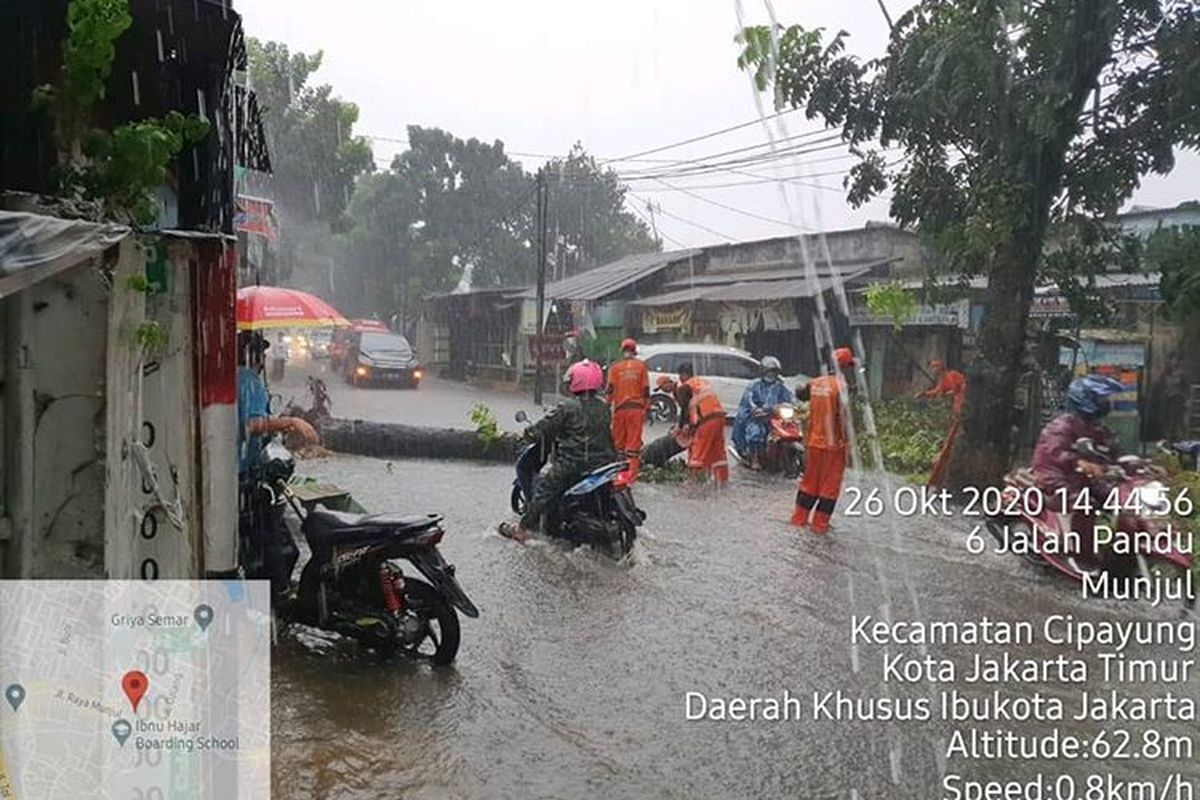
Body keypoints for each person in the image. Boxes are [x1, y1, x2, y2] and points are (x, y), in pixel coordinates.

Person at [500, 360, 617, 542]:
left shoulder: (567, 408)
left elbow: (542, 428)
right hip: (604, 463)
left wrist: (526, 435)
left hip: (574, 463)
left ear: (575, 382)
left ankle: (521, 530)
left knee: (545, 490)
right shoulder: (604, 407)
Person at [1031, 374, 1125, 554]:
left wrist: (1134, 465)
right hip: (1056, 478)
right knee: (1085, 505)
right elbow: (1054, 453)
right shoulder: (1060, 427)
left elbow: (1112, 451)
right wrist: (1079, 462)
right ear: (1084, 399)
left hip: (1085, 480)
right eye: (1101, 398)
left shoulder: (1096, 427)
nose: (1105, 402)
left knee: (1123, 501)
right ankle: (1083, 555)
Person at [791, 347, 855, 534]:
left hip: (813, 443)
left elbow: (802, 396)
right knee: (829, 487)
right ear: (845, 367)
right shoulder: (841, 387)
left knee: (809, 483)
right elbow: (844, 418)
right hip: (832, 446)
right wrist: (848, 444)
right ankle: (820, 525)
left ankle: (799, 519)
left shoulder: (816, 383)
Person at [237, 331, 319, 476]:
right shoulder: (251, 382)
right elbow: (253, 425)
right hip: (244, 467)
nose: (265, 357)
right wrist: (290, 422)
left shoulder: (234, 378)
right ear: (254, 356)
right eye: (262, 353)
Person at [731, 355, 795, 470]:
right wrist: (756, 408)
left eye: (774, 372)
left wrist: (793, 406)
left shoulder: (780, 386)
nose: (771, 374)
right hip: (758, 416)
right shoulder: (754, 385)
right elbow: (749, 399)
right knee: (756, 431)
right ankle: (755, 458)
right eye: (769, 371)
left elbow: (790, 398)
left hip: (774, 416)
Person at [916, 359, 967, 487]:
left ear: (941, 367)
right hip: (956, 409)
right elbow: (938, 391)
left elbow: (959, 388)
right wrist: (924, 394)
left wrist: (950, 393)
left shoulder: (953, 375)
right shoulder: (943, 379)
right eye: (932, 367)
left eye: (935, 367)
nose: (933, 370)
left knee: (957, 435)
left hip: (962, 407)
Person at [675, 362, 729, 484]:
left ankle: (694, 483)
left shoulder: (685, 387)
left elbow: (685, 409)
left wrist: (680, 427)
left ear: (684, 374)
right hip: (719, 417)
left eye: (680, 375)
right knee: (718, 452)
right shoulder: (702, 382)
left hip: (707, 419)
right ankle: (722, 481)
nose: (679, 378)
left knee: (698, 450)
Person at [606, 338, 650, 482]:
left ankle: (617, 476)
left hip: (620, 410)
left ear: (622, 350)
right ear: (634, 351)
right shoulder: (641, 367)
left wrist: (606, 407)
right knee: (633, 446)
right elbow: (645, 390)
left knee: (618, 444)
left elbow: (610, 391)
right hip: (636, 410)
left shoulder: (615, 367)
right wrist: (647, 409)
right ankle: (630, 478)